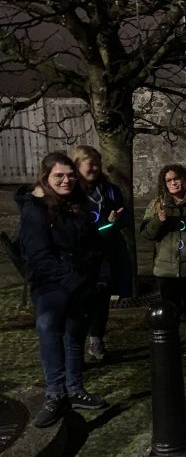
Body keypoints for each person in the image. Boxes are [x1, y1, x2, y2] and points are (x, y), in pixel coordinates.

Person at [16, 152, 109, 428]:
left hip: (81, 281)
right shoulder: (35, 209)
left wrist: (100, 279)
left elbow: (93, 242)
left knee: (75, 334)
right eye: (59, 175)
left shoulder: (77, 202)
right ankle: (56, 394)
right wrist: (76, 284)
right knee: (49, 329)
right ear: (46, 177)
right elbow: (40, 257)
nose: (66, 180)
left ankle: (75, 389)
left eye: (70, 175)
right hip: (51, 284)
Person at [70, 145, 132, 361]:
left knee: (102, 298)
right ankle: (75, 348)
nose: (96, 168)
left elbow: (124, 219)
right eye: (91, 164)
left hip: (107, 253)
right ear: (77, 165)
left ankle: (96, 340)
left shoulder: (110, 189)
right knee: (80, 301)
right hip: (81, 256)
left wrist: (116, 220)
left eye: (98, 163)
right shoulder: (71, 192)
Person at [140, 164, 186, 358]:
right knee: (170, 308)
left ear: (185, 180)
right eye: (168, 180)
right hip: (165, 268)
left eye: (176, 178)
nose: (173, 183)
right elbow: (146, 235)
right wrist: (158, 220)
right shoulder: (157, 204)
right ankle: (172, 343)